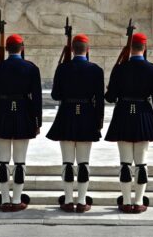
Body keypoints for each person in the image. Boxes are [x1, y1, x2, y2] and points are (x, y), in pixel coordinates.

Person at [105, 33, 153, 214]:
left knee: (125, 163)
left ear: (130, 48)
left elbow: (110, 98)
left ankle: (126, 201)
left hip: (123, 114)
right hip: (144, 115)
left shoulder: (120, 69)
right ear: (144, 48)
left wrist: (110, 88)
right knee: (141, 164)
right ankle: (138, 202)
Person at [46, 34, 104, 213]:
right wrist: (99, 121)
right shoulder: (96, 70)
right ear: (88, 50)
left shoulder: (63, 68)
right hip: (87, 115)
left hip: (67, 114)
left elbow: (55, 95)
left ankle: (68, 200)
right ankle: (82, 201)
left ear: (72, 49)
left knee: (68, 162)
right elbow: (100, 100)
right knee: (83, 163)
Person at [0, 34, 42, 212]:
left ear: (7, 49)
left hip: (1, 114)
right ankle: (16, 199)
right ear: (22, 48)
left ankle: (4, 199)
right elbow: (37, 99)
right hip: (23, 114)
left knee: (3, 161)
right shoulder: (31, 68)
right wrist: (37, 121)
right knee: (19, 162)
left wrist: (4, 103)